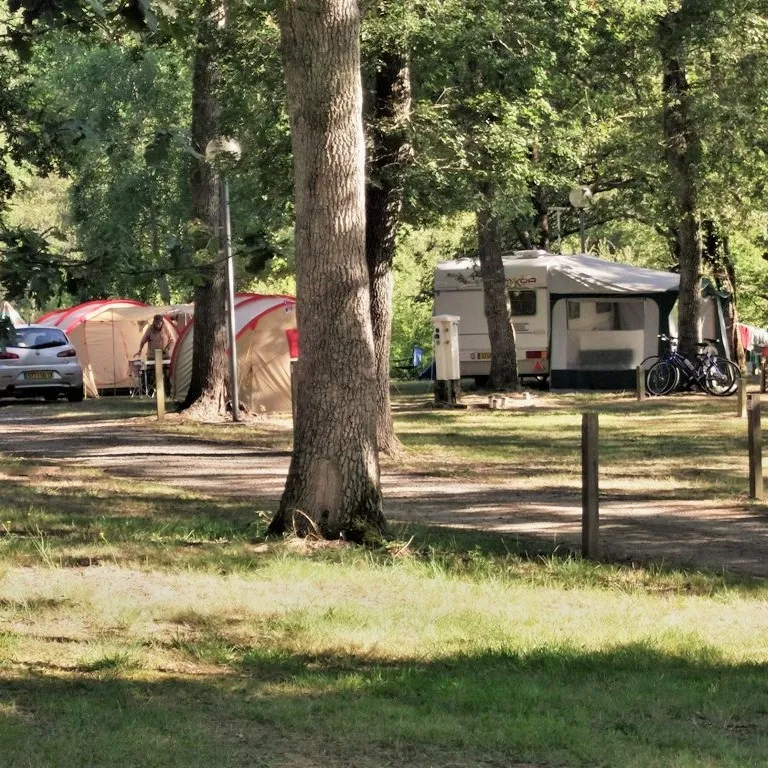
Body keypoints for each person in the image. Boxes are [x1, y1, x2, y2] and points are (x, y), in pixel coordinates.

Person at [135, 315, 173, 395]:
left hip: (164, 356)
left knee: (166, 375)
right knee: (152, 375)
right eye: (156, 321)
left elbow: (172, 340)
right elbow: (143, 340)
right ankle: (151, 393)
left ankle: (168, 393)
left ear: (162, 322)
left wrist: (167, 348)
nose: (157, 323)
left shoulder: (166, 328)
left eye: (159, 321)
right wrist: (140, 350)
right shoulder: (150, 329)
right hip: (152, 356)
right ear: (154, 322)